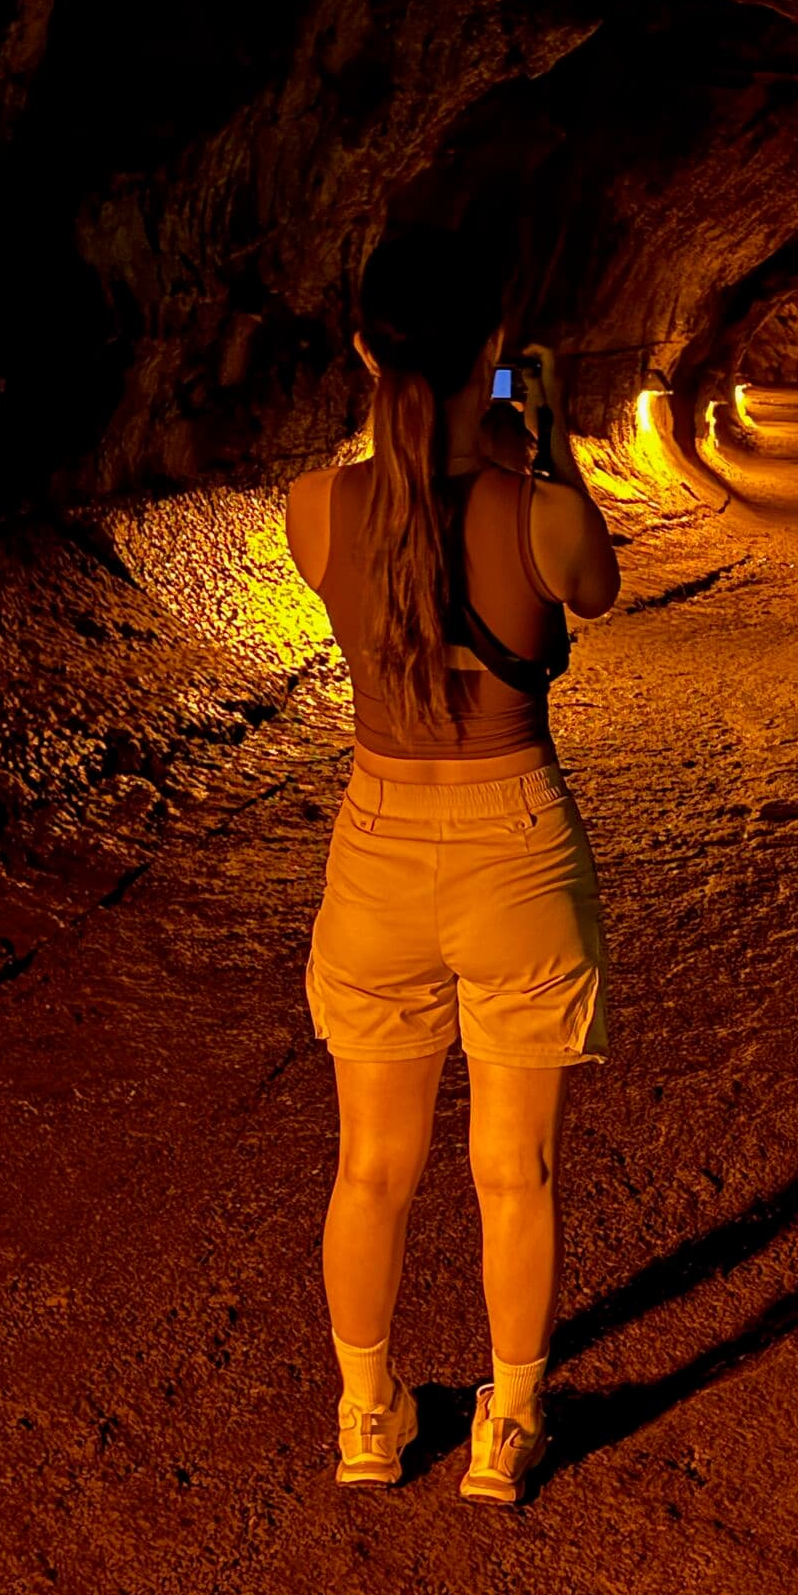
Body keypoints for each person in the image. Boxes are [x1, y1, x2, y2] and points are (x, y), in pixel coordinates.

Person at [284, 225, 621, 1503]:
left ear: (365, 350)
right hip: (514, 851)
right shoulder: (538, 514)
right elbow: (595, 588)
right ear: (495, 350)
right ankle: (509, 1426)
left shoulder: (317, 511)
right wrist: (549, 434)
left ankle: (367, 1417)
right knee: (513, 1169)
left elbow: (404, 508)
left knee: (370, 1167)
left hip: (376, 850)